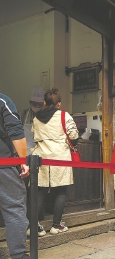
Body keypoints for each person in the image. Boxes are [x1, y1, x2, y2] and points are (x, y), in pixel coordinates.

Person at [31, 88, 79, 235]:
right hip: (60, 157)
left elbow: (34, 134)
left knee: (40, 193)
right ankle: (56, 225)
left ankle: (33, 227)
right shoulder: (64, 116)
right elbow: (74, 136)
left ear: (44, 102)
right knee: (61, 192)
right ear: (58, 104)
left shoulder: (36, 118)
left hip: (40, 157)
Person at [0, 93, 30, 259]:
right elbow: (15, 130)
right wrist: (23, 160)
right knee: (14, 210)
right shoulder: (3, 101)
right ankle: (18, 255)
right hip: (4, 165)